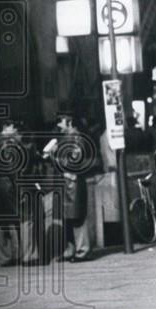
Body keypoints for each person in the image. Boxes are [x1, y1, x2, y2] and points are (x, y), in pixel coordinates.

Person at [0, 119, 36, 267]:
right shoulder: (8, 143)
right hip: (8, 184)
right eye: (13, 127)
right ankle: (24, 255)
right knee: (22, 218)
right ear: (5, 128)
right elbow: (14, 168)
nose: (14, 130)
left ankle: (5, 256)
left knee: (0, 221)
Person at [50, 108, 95, 262]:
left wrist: (55, 157)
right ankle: (71, 249)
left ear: (69, 122)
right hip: (66, 182)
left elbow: (73, 161)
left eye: (60, 121)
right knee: (67, 217)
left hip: (72, 182)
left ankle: (83, 250)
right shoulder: (66, 138)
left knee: (77, 217)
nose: (58, 124)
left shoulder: (75, 138)